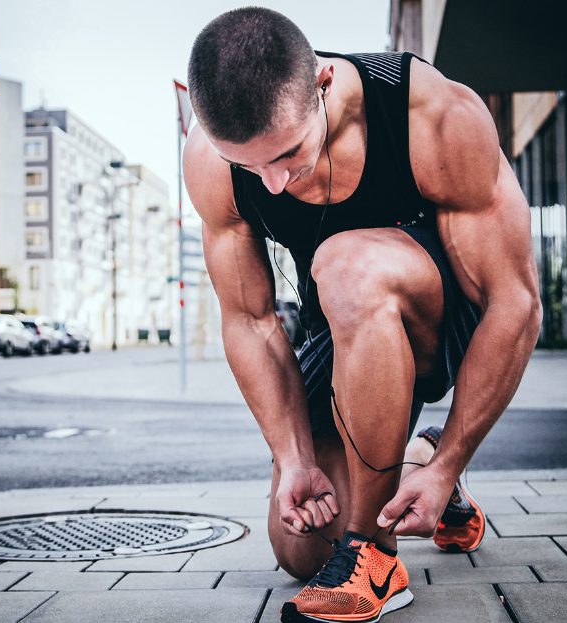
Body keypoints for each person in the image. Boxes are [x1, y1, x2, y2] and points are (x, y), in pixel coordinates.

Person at [183, 7, 542, 622]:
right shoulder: (212, 158)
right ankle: (417, 465)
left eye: (289, 153)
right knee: (300, 545)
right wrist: (293, 457)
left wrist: (460, 450)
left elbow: (516, 303)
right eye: (250, 166)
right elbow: (250, 320)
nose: (271, 183)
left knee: (346, 264)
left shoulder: (429, 112)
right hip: (342, 326)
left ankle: (375, 558)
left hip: (442, 318)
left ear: (322, 84)